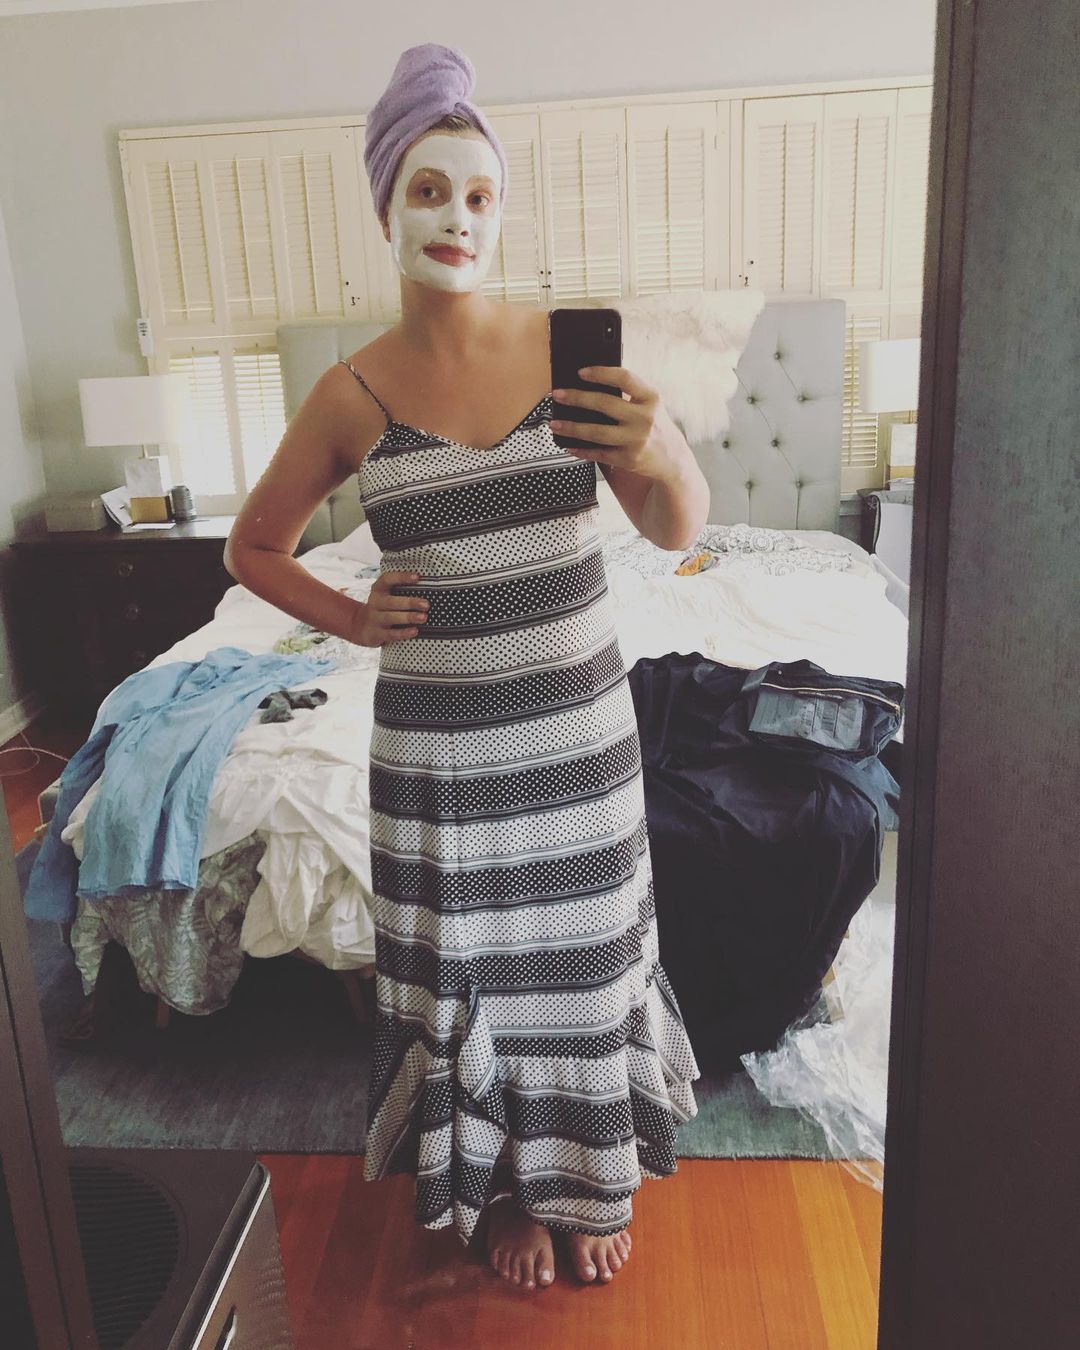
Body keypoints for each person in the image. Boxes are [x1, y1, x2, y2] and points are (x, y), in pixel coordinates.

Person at [224, 41, 708, 1292]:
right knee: (470, 976)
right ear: (386, 207)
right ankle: (505, 1198)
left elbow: (677, 530)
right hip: (439, 763)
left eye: (481, 195)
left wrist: (659, 448)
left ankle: (587, 1184)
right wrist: (350, 616)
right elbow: (251, 548)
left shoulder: (566, 352)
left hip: (580, 745)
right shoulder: (349, 393)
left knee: (585, 969)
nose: (457, 218)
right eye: (430, 190)